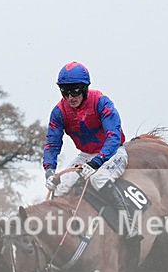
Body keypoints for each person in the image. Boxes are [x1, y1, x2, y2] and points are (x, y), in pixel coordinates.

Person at [43, 62, 140, 239]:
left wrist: (97, 162)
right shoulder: (59, 112)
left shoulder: (101, 102)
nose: (70, 97)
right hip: (86, 155)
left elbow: (113, 137)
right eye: (65, 91)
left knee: (98, 178)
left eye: (75, 91)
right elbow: (52, 144)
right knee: (61, 186)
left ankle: (129, 222)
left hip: (113, 152)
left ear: (85, 88)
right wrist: (49, 171)